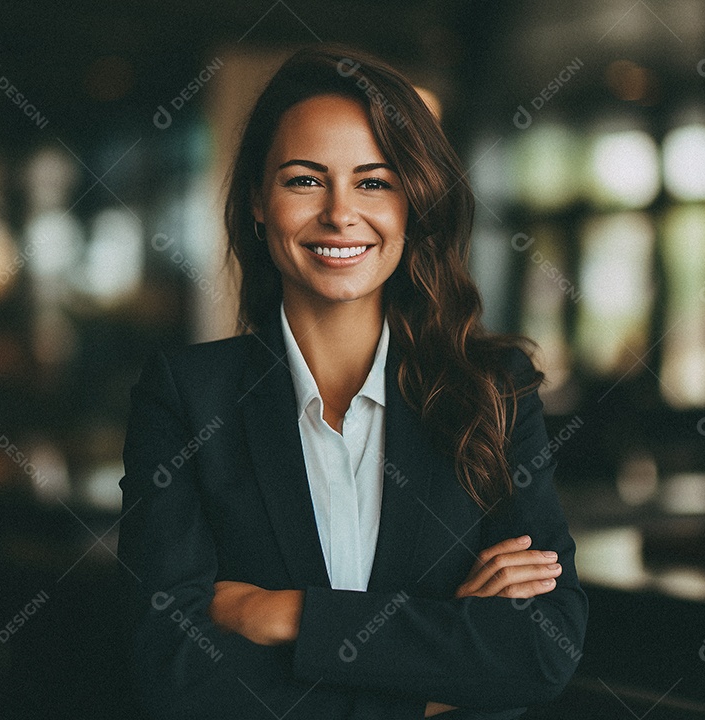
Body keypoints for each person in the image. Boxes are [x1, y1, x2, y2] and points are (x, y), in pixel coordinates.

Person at [117, 43, 587, 720]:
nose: (341, 214)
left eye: (374, 181)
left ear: (413, 203)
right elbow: (173, 670)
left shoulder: (492, 389)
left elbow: (542, 648)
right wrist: (429, 677)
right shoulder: (187, 396)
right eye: (304, 180)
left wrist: (285, 615)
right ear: (257, 200)